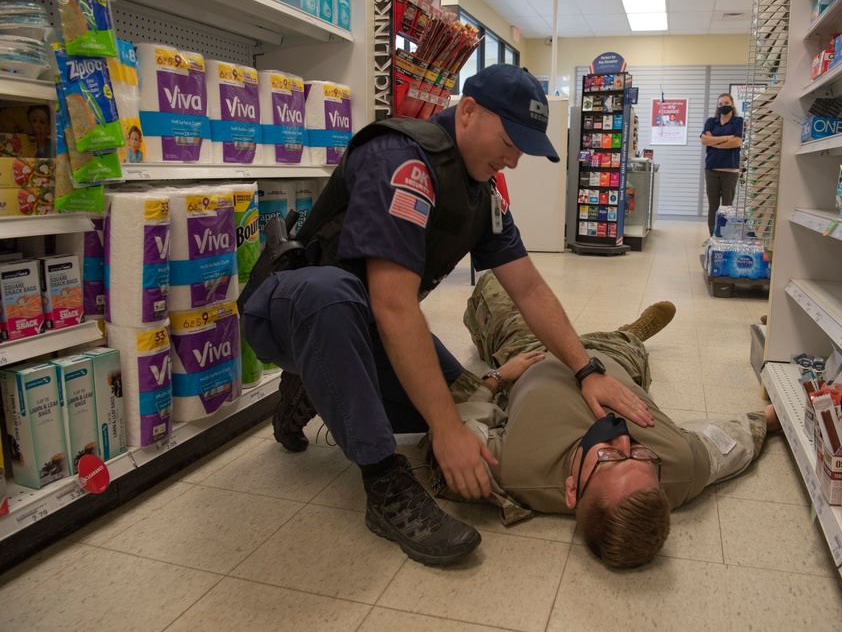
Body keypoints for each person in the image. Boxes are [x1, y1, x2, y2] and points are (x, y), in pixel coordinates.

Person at [241, 64, 660, 568]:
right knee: (342, 306)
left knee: (454, 405)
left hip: (364, 324)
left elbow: (527, 286)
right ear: (467, 112)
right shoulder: (401, 158)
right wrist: (445, 431)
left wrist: (586, 369)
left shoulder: (480, 194)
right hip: (295, 310)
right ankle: (383, 480)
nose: (514, 160)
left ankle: (313, 386)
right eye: (509, 141)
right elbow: (394, 303)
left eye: (522, 149)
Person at [425, 270, 778, 570]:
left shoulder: (515, 471)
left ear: (571, 491)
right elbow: (729, 441)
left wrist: (497, 378)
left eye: (609, 459)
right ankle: (631, 333)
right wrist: (777, 418)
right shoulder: (681, 469)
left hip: (533, 353)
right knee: (631, 347)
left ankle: (492, 337)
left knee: (493, 282)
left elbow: (460, 426)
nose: (624, 440)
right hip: (616, 359)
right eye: (640, 457)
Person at [699, 93, 743, 236]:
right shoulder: (711, 121)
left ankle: (724, 237)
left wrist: (715, 142)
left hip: (730, 170)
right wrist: (726, 138)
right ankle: (712, 236)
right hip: (712, 169)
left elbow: (737, 142)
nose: (723, 106)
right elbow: (704, 140)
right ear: (717, 106)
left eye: (726, 103)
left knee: (727, 206)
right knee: (713, 206)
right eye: (720, 104)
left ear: (732, 104)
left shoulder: (738, 121)